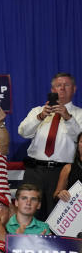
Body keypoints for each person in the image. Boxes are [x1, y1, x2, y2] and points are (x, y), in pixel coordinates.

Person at [17, 73, 82, 217]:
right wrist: (40, 117)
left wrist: (67, 117)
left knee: (58, 216)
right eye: (59, 85)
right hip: (34, 171)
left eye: (67, 85)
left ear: (74, 89)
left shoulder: (79, 114)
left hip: (62, 174)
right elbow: (23, 132)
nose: (62, 88)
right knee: (29, 214)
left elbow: (79, 139)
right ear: (53, 90)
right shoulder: (37, 111)